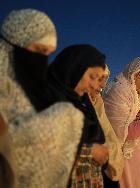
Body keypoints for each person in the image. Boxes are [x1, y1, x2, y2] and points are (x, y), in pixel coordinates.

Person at [0, 9, 84, 187]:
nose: (41, 60)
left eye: (48, 54)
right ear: (16, 40)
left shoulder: (34, 87)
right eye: (39, 50)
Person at [47, 44, 108, 188]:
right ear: (74, 68)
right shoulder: (47, 99)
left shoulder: (83, 104)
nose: (94, 85)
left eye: (99, 79)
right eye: (93, 77)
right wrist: (90, 151)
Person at [103, 56, 140, 188]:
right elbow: (122, 131)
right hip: (125, 162)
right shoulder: (119, 91)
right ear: (137, 74)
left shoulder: (139, 98)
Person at [89, 65, 124, 187]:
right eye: (99, 78)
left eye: (105, 79)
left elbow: (109, 135)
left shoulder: (98, 102)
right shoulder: (76, 105)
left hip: (106, 172)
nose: (103, 85)